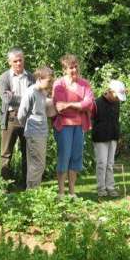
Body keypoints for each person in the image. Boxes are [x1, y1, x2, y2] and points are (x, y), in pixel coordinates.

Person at [52, 54, 94, 197]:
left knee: (76, 157)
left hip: (79, 125)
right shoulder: (59, 84)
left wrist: (70, 104)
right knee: (64, 156)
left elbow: (89, 103)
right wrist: (79, 106)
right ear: (64, 69)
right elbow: (59, 106)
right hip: (64, 125)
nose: (74, 70)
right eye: (71, 67)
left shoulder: (84, 84)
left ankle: (72, 192)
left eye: (76, 66)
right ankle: (61, 192)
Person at [0, 48, 35, 185]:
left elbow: (35, 98)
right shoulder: (4, 78)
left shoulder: (31, 77)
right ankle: (3, 186)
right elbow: (6, 99)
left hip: (27, 118)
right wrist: (26, 98)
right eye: (15, 61)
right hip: (11, 118)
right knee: (6, 153)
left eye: (21, 60)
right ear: (9, 62)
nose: (19, 63)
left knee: (28, 153)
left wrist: (16, 97)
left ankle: (28, 184)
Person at [17, 66, 54, 189]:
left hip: (42, 133)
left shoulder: (42, 92)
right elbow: (21, 114)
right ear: (39, 79)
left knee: (39, 164)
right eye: (49, 81)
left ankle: (34, 192)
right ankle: (32, 192)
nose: (51, 84)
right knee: (37, 164)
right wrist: (28, 128)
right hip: (34, 133)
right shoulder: (30, 92)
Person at [91, 80, 126, 198]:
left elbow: (116, 120)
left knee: (110, 164)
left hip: (113, 136)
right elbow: (91, 120)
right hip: (100, 137)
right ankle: (101, 188)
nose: (118, 99)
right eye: (117, 96)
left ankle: (110, 187)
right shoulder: (96, 103)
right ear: (110, 92)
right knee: (102, 163)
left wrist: (117, 136)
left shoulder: (117, 103)